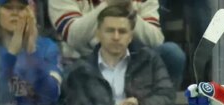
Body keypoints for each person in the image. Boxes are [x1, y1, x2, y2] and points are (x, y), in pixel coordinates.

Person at [60, 5, 173, 105]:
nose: (116, 36)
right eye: (109, 30)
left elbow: (167, 99)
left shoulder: (149, 60)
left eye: (122, 31)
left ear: (131, 36)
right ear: (98, 33)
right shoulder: (79, 70)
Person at [48, 0, 185, 87]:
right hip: (83, 61)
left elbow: (156, 39)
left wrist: (128, 12)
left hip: (132, 61)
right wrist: (108, 5)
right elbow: (72, 36)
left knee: (172, 54)